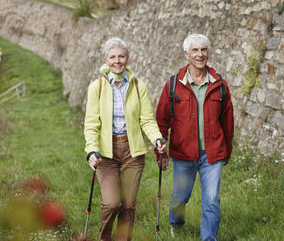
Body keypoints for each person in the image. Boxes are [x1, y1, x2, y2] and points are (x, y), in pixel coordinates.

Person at [84, 37, 167, 241]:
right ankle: (105, 238)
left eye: (121, 56)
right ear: (106, 60)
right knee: (112, 203)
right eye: (113, 57)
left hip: (132, 152)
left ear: (128, 59)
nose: (117, 61)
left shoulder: (139, 86)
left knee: (128, 205)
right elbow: (91, 124)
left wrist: (157, 138)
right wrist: (91, 151)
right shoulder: (98, 87)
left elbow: (147, 119)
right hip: (106, 153)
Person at [155, 34, 234, 241]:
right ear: (186, 54)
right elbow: (161, 120)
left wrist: (227, 150)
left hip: (212, 153)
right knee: (180, 197)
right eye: (195, 51)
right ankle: (176, 224)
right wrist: (160, 151)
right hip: (183, 153)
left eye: (204, 50)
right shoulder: (174, 84)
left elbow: (228, 122)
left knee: (211, 200)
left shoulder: (220, 84)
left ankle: (208, 238)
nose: (200, 55)